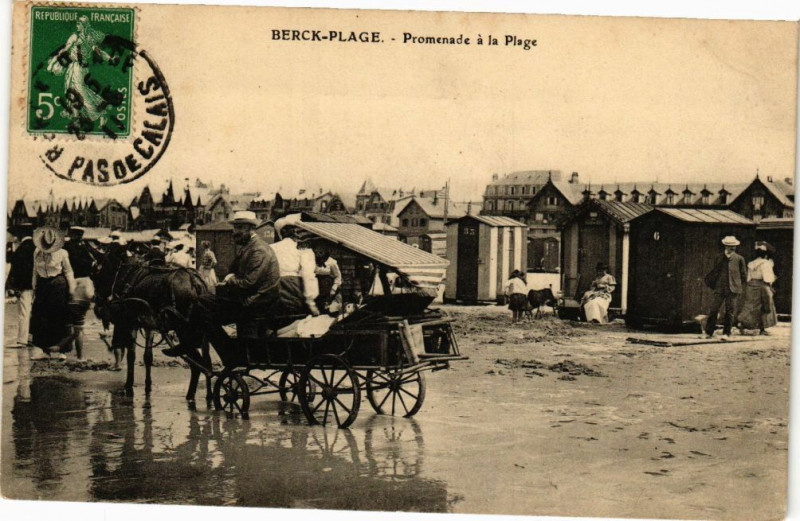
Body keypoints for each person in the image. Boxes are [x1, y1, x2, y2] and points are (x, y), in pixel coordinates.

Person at [163, 211, 281, 357]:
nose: (235, 232)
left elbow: (248, 283)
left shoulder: (258, 250)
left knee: (201, 306)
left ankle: (225, 351)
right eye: (235, 227)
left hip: (254, 304)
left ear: (251, 229)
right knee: (203, 300)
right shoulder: (250, 247)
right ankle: (195, 342)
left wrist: (229, 280)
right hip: (253, 300)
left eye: (239, 228)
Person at [29, 228, 76, 361]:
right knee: (42, 319)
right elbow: (34, 271)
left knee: (59, 317)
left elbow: (68, 271)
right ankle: (45, 350)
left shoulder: (62, 253)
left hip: (58, 285)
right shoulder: (37, 252)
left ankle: (63, 350)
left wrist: (72, 289)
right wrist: (34, 288)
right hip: (43, 286)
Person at [60, 226, 97, 360]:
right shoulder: (86, 248)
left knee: (67, 322)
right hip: (86, 286)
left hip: (72, 284)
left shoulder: (66, 248)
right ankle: (80, 357)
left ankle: (63, 352)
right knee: (79, 325)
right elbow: (94, 264)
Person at [271, 217, 320, 316]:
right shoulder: (304, 249)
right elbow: (308, 275)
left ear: (282, 233)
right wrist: (311, 302)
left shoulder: (271, 248)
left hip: (273, 287)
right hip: (293, 286)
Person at [702, 236, 747, 341]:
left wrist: (737, 285)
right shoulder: (719, 257)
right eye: (730, 246)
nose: (732, 248)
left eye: (734, 246)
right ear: (725, 246)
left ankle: (726, 333)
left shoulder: (740, 259)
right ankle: (709, 332)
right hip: (720, 288)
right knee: (714, 309)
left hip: (733, 289)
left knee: (730, 311)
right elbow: (715, 272)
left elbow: (743, 275)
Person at [737, 241, 778, 335]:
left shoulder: (751, 263)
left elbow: (748, 277)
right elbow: (767, 278)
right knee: (765, 306)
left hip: (751, 286)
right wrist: (772, 279)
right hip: (762, 286)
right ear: (766, 255)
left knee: (750, 306)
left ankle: (742, 324)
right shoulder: (766, 263)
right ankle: (762, 329)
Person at [5, 224, 35, 347]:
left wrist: (14, 287)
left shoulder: (22, 249)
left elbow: (18, 270)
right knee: (33, 311)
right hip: (37, 284)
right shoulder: (36, 247)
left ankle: (22, 339)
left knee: (24, 312)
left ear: (20, 235)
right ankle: (31, 337)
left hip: (25, 285)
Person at [313, 243, 343, 315]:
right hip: (318, 287)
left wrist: (334, 288)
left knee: (328, 308)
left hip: (328, 288)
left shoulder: (331, 262)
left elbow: (338, 276)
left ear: (325, 251)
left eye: (320, 252)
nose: (318, 254)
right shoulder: (314, 261)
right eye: (316, 252)